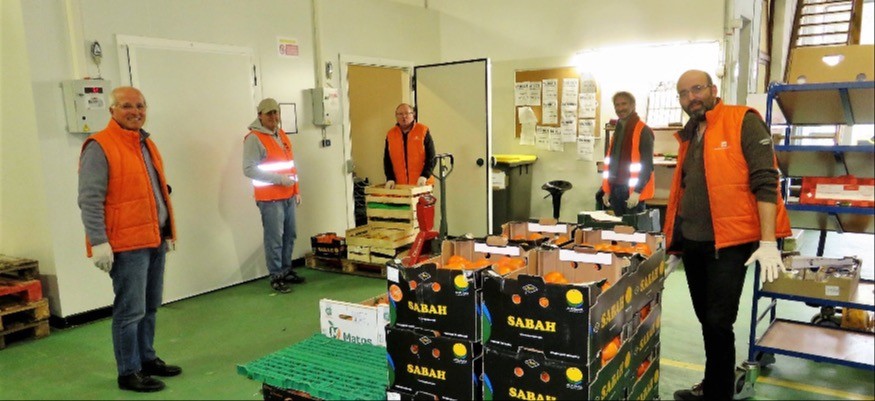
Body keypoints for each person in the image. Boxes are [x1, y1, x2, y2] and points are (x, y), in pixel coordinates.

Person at [665, 70, 792, 401]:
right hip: (693, 242)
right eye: (683, 93)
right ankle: (713, 385)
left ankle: (718, 394)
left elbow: (766, 180)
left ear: (713, 89)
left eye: (697, 89)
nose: (691, 97)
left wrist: (767, 241)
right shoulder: (690, 134)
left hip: (729, 243)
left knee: (719, 322)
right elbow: (686, 190)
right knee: (707, 321)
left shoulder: (742, 121)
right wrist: (675, 245)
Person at [78, 86, 181, 393]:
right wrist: (98, 241)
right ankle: (128, 371)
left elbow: (153, 188)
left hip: (153, 238)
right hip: (127, 245)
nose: (135, 111)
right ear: (112, 110)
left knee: (150, 306)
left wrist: (167, 230)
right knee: (130, 311)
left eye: (140, 106)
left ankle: (147, 359)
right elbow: (89, 199)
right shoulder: (99, 146)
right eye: (127, 106)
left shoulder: (146, 143)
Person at [243, 98, 305, 294]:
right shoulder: (254, 138)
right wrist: (279, 179)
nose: (273, 117)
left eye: (275, 112)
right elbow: (249, 169)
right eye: (268, 113)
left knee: (290, 235)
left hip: (288, 195)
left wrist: (296, 190)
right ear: (260, 115)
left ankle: (286, 270)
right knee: (274, 239)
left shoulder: (281, 134)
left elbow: (290, 165)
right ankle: (276, 276)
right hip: (270, 199)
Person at [601, 91, 655, 216]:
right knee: (617, 227)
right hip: (615, 188)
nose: (620, 108)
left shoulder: (643, 130)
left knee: (633, 228)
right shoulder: (618, 129)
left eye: (624, 104)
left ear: (633, 105)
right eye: (617, 105)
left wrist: (637, 191)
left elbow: (647, 165)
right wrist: (607, 190)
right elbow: (612, 161)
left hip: (632, 192)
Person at [383, 103, 436, 189]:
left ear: (413, 114)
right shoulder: (391, 134)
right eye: (400, 114)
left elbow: (431, 157)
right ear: (396, 116)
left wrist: (425, 175)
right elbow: (387, 160)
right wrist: (390, 178)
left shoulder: (423, 131)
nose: (404, 116)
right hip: (400, 186)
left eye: (407, 113)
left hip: (422, 184)